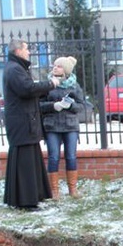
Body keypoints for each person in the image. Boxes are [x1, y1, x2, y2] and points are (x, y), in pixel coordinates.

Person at [3, 38, 60, 211]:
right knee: (25, 164)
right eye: (26, 49)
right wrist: (50, 84)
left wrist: (45, 90)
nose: (29, 52)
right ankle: (27, 201)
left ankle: (34, 196)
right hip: (22, 123)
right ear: (18, 51)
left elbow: (30, 91)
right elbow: (27, 89)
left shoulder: (17, 68)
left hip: (26, 122)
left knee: (30, 162)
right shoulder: (14, 69)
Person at [40, 56, 85, 199]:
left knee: (71, 157)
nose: (55, 68)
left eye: (59, 66)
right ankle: (54, 191)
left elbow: (82, 106)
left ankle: (73, 189)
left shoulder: (74, 86)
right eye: (54, 65)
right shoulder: (47, 85)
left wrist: (71, 105)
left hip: (70, 126)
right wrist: (53, 106)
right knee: (53, 157)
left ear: (65, 70)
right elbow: (39, 106)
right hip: (52, 126)